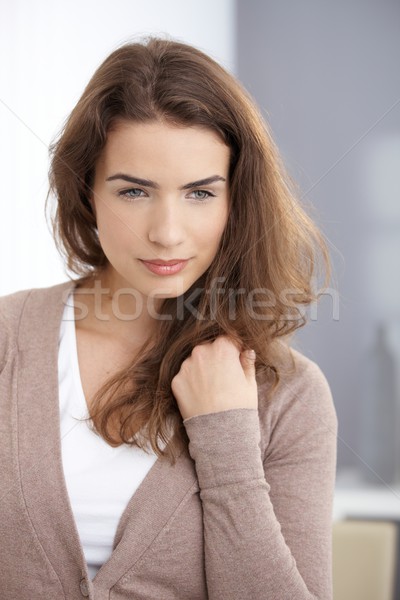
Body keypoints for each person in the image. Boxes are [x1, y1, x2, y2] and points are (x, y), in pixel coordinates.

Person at [0, 37, 337, 600]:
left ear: (237, 201)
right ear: (87, 193)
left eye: (200, 194)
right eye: (134, 191)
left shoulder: (290, 395)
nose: (167, 232)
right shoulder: (9, 340)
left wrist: (227, 438)